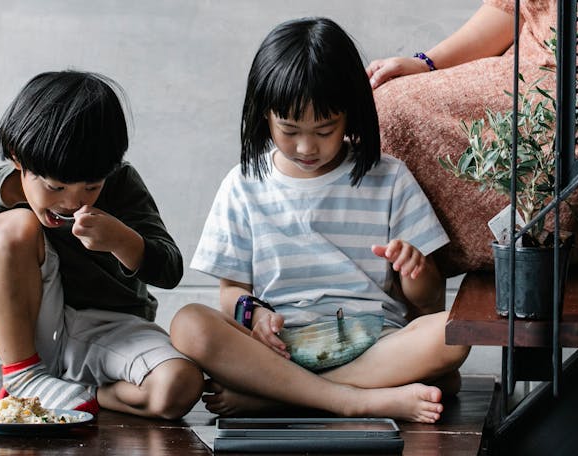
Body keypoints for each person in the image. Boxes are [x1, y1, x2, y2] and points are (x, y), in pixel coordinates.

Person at [170, 17, 471, 423]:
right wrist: (255, 314)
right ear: (264, 116)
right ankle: (352, 399)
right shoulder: (243, 185)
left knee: (453, 334)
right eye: (289, 130)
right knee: (188, 324)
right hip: (277, 349)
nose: (306, 147)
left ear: (350, 115)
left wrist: (414, 269)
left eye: (325, 130)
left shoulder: (389, 178)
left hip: (373, 345)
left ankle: (278, 397)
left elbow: (428, 300)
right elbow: (232, 293)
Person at [0, 71, 204, 421]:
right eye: (56, 187)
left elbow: (170, 269)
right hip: (31, 337)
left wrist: (122, 240)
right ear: (18, 158)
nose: (73, 202)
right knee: (12, 228)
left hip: (112, 330)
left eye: (91, 187)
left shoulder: (121, 184)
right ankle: (24, 378)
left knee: (181, 384)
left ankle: (77, 394)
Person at [366, 0, 578, 276]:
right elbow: (510, 8)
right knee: (387, 106)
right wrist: (425, 63)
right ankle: (406, 286)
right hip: (526, 68)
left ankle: (529, 260)